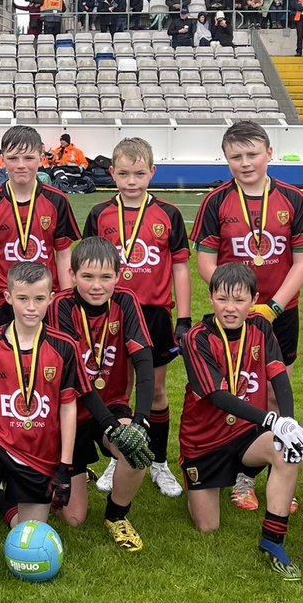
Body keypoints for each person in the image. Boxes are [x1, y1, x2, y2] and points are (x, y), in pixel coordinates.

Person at [191, 121, 303, 511]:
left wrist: (273, 305)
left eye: (252, 154)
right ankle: (242, 479)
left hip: (281, 313)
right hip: (233, 316)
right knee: (238, 390)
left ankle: (277, 472)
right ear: (226, 159)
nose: (245, 163)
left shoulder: (293, 198)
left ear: (269, 153)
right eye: (236, 157)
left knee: (276, 395)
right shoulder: (216, 201)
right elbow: (205, 262)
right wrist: (239, 304)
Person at [0, 261, 86, 590]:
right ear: (8, 297)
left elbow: (68, 408)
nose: (31, 307)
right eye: (23, 299)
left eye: (39, 299)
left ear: (51, 297)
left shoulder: (64, 346)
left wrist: (64, 466)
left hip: (39, 454)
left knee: (25, 534)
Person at [181, 262, 303, 579]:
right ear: (211, 297)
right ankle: (196, 483)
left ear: (253, 299)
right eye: (223, 298)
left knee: (285, 449)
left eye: (239, 300)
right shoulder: (196, 338)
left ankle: (272, 539)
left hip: (244, 436)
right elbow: (219, 397)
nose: (230, 308)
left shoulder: (261, 327)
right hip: (204, 442)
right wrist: (272, 420)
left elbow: (279, 376)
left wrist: (288, 424)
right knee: (207, 527)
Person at [84, 137, 191, 499]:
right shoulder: (100, 213)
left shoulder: (169, 214)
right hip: (112, 310)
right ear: (112, 173)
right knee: (119, 389)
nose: (132, 181)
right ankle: (119, 454)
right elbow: (85, 264)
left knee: (157, 389)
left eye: (140, 173)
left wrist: (184, 318)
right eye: (125, 174)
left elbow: (179, 268)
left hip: (154, 312)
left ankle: (159, 461)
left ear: (152, 173)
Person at [46, 237, 157, 547]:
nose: (97, 285)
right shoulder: (60, 306)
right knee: (74, 518)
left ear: (118, 276)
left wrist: (141, 419)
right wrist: (109, 423)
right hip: (68, 414)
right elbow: (75, 377)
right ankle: (62, 473)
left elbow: (144, 360)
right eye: (88, 276)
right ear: (71, 274)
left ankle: (117, 515)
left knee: (136, 446)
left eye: (106, 277)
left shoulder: (126, 301)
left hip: (112, 406)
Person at [0, 125, 80, 340]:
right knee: (3, 363)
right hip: (3, 299)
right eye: (13, 158)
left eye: (29, 158)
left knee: (46, 363)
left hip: (43, 298)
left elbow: (64, 254)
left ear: (41, 157)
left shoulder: (57, 201)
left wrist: (66, 303)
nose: (21, 165)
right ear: (2, 159)